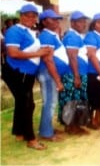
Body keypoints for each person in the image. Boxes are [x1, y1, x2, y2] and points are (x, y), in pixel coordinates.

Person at [3, 4, 50, 150]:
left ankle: (19, 132)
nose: (31, 18)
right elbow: (13, 53)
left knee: (23, 103)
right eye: (27, 15)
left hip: (27, 73)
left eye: (33, 16)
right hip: (18, 72)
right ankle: (31, 139)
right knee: (27, 104)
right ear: (20, 16)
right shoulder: (14, 31)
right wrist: (39, 53)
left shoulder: (29, 32)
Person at [37, 9, 68, 141]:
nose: (56, 21)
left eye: (57, 19)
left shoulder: (52, 35)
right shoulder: (45, 36)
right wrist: (58, 80)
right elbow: (48, 60)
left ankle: (47, 128)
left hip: (51, 74)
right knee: (50, 103)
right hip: (48, 74)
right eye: (52, 19)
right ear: (44, 21)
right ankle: (46, 133)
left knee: (51, 102)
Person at [59, 10, 89, 135]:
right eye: (80, 22)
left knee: (78, 101)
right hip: (72, 74)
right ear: (72, 23)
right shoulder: (71, 36)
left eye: (84, 22)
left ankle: (75, 125)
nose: (83, 24)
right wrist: (77, 76)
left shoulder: (77, 36)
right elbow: (72, 57)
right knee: (71, 101)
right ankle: (71, 126)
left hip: (79, 73)